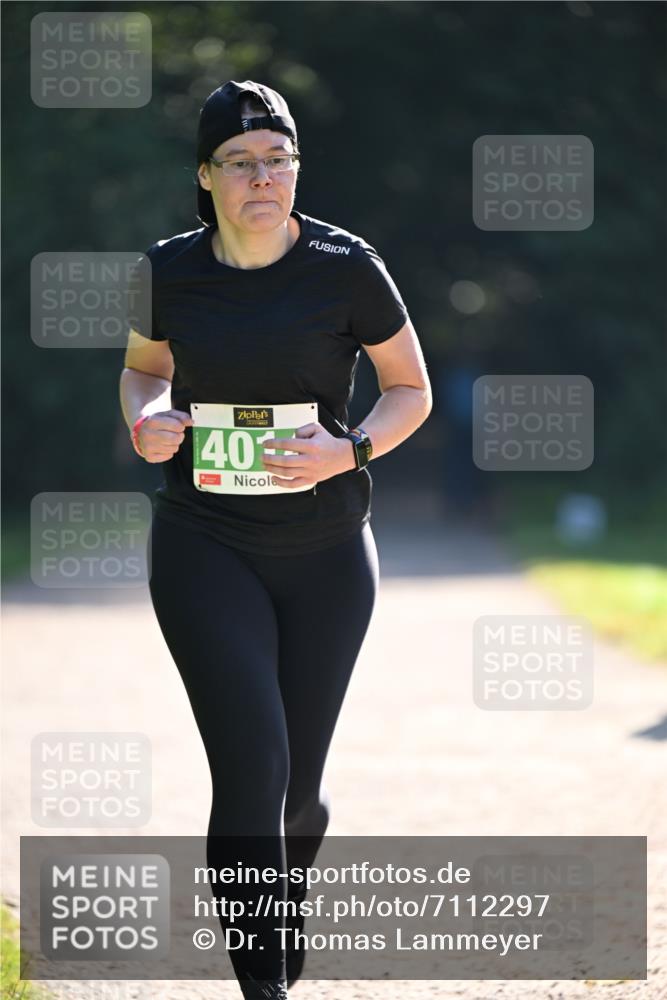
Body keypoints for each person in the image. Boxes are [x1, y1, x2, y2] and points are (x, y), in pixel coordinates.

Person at [119, 79, 432, 999]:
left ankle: (288, 877)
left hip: (329, 552)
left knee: (295, 789)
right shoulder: (166, 270)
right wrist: (148, 422)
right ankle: (264, 988)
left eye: (279, 159)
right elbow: (144, 373)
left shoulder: (346, 266)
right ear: (205, 177)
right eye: (242, 162)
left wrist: (352, 448)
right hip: (203, 542)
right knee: (252, 765)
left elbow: (408, 387)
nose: (265, 177)